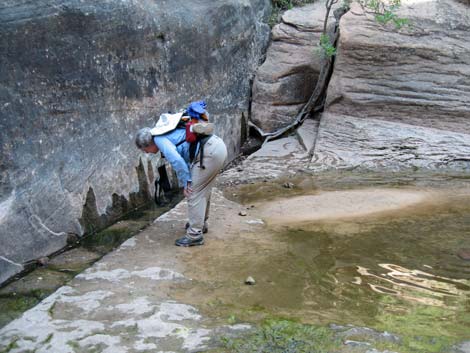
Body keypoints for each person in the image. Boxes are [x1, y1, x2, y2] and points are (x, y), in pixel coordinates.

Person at [135, 104, 227, 247]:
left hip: (208, 153)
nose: (147, 153)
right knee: (203, 190)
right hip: (216, 147)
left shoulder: (159, 140)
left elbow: (177, 161)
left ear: (148, 144)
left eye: (145, 150)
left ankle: (194, 235)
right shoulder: (166, 132)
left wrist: (187, 182)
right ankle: (200, 224)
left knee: (193, 193)